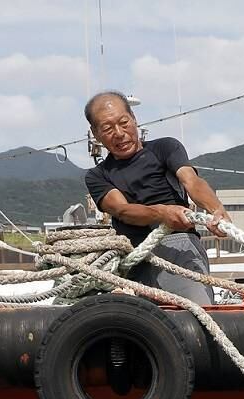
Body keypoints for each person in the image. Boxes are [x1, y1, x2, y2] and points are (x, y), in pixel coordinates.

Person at [83, 90, 231, 305]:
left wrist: (216, 209)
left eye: (124, 123)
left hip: (180, 248)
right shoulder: (97, 175)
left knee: (200, 315)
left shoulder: (165, 148)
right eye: (107, 128)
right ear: (95, 134)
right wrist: (162, 213)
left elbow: (192, 181)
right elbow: (122, 210)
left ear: (134, 119)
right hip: (133, 257)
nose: (119, 133)